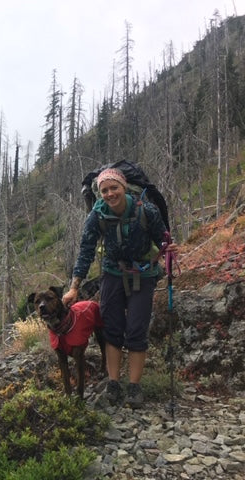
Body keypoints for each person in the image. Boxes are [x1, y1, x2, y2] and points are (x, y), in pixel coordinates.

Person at [62, 167, 178, 408]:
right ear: (99, 192)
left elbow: (162, 239)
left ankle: (134, 387)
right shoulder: (97, 215)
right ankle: (114, 383)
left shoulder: (146, 210)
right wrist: (75, 286)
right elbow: (86, 250)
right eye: (104, 190)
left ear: (124, 187)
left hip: (143, 274)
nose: (109, 193)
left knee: (136, 329)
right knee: (112, 329)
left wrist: (169, 248)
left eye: (114, 187)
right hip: (112, 274)